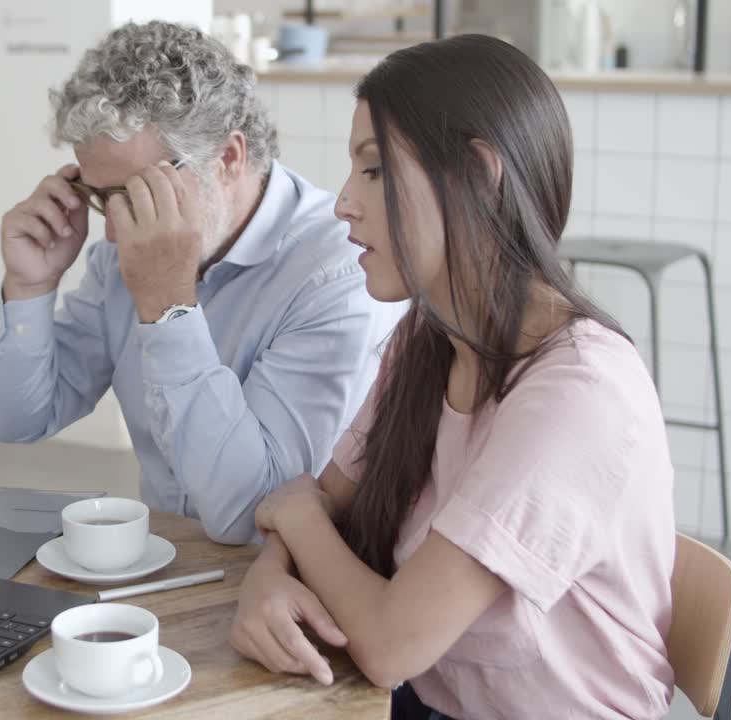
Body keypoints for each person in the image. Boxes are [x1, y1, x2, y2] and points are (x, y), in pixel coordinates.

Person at [229, 35, 676, 720]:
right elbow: (322, 501)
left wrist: (295, 517)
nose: (344, 203)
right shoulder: (428, 339)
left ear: (477, 172)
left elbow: (389, 641)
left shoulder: (578, 393)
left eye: (374, 172)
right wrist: (266, 579)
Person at [0, 21, 404, 545]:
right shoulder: (120, 254)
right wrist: (29, 286)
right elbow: (19, 420)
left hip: (286, 584)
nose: (112, 229)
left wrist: (168, 306)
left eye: (137, 193)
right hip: (162, 559)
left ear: (228, 157)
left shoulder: (337, 275)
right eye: (99, 195)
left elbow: (251, 516)